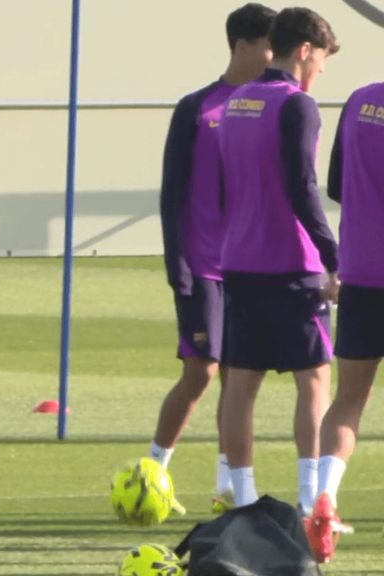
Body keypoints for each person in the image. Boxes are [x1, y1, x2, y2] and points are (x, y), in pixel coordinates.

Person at [217, 6, 340, 519]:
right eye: (323, 60)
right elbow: (301, 186)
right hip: (291, 263)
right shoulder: (297, 105)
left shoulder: (237, 100)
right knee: (313, 379)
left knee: (240, 383)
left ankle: (241, 498)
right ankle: (312, 500)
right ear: (305, 50)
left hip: (239, 259)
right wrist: (334, 254)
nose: (322, 72)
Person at [153, 3, 276, 513]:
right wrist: (175, 263)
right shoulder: (196, 107)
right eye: (270, 45)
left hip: (247, 265)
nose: (276, 57)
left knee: (238, 377)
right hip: (202, 265)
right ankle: (151, 472)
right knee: (201, 372)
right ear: (244, 45)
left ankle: (227, 488)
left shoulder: (270, 106)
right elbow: (171, 191)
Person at [306, 80, 384, 563]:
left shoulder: (360, 100)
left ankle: (325, 498)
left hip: (361, 270)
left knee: (349, 399)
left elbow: (335, 184)